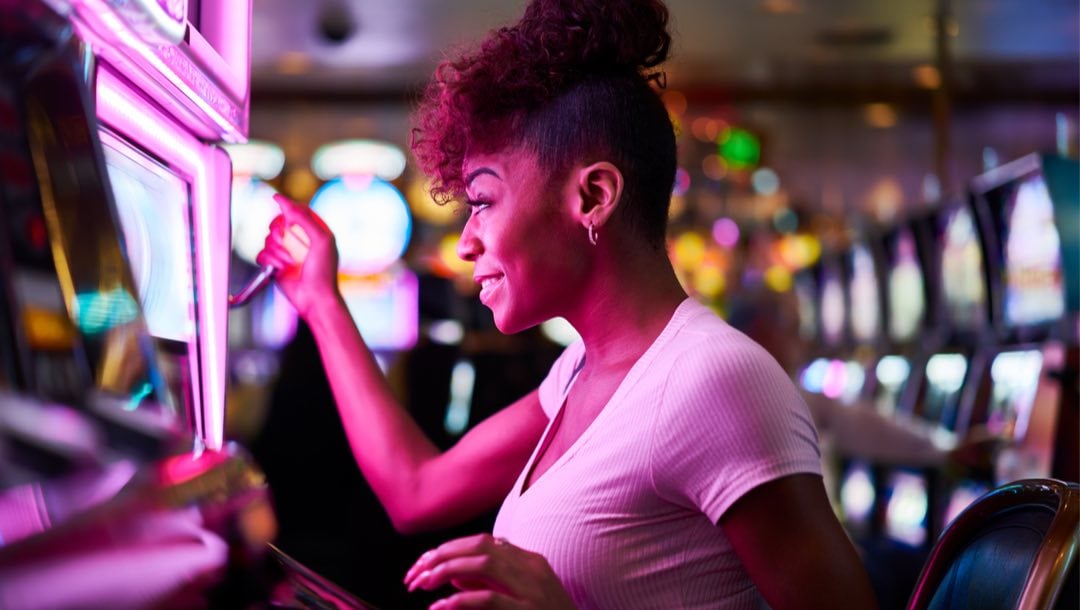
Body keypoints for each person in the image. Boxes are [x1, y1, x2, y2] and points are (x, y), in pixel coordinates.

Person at [256, 0, 879, 607]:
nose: (467, 242)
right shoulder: (581, 371)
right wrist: (319, 299)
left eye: (482, 202)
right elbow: (416, 491)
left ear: (593, 196)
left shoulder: (711, 379)